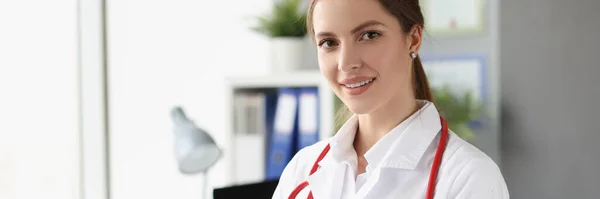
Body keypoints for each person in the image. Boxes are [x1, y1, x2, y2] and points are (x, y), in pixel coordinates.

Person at [271, 0, 509, 198]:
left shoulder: (468, 177)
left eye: (369, 35)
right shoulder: (300, 170)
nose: (346, 63)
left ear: (413, 39)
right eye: (329, 43)